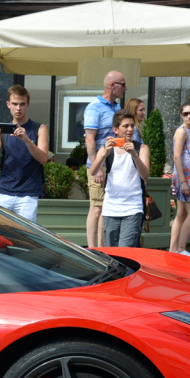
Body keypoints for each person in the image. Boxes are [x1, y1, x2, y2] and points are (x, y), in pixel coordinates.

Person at [0, 84, 50, 222]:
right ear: (8, 104)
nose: (18, 108)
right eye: (14, 104)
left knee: (25, 236)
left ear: (28, 104)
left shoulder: (39, 128)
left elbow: (43, 159)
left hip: (29, 192)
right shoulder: (4, 130)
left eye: (22, 104)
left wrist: (27, 140)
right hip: (4, 190)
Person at [91, 110, 150, 248]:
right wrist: (104, 153)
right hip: (111, 208)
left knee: (126, 250)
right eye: (125, 126)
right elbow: (93, 171)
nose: (130, 129)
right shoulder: (107, 149)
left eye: (132, 125)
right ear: (115, 129)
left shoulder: (141, 148)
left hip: (133, 208)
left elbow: (145, 174)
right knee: (112, 253)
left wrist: (134, 154)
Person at [82, 71, 127, 247]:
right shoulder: (94, 107)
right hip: (99, 164)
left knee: (105, 208)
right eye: (122, 84)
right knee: (97, 207)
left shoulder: (116, 108)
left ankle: (103, 249)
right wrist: (97, 166)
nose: (125, 88)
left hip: (113, 165)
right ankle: (93, 249)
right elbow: (89, 139)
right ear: (112, 85)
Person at [168, 100, 190, 257]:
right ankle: (180, 249)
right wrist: (182, 182)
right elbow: (176, 156)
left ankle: (173, 249)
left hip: (189, 177)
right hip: (185, 177)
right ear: (181, 115)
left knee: (181, 214)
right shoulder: (182, 131)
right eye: (185, 113)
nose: (189, 116)